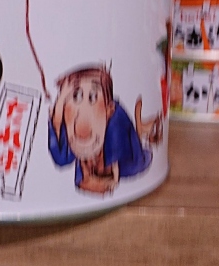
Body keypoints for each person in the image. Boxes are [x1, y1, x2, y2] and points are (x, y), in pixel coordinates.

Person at [48, 65, 159, 194]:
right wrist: (62, 98)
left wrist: (111, 180)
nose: (83, 107)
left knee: (131, 158)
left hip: (121, 149)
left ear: (108, 109)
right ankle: (140, 130)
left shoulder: (114, 122)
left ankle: (140, 131)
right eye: (76, 95)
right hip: (95, 152)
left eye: (92, 96)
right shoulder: (69, 118)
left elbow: (113, 174)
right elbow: (57, 128)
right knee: (66, 156)